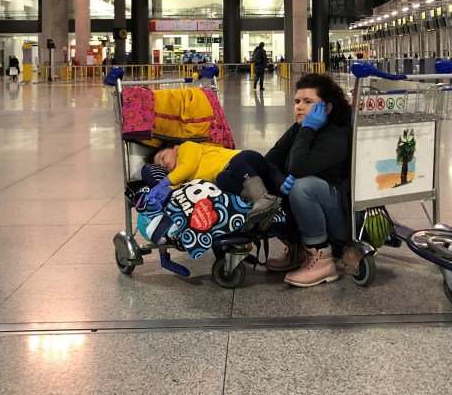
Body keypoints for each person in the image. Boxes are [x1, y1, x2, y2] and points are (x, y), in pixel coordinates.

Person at [263, 73, 353, 288]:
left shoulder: (337, 134)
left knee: (303, 186)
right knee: (276, 181)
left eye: (308, 102)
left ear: (327, 109)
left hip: (343, 217)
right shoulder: (298, 129)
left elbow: (299, 167)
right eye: (297, 101)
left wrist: (309, 129)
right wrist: (279, 181)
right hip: (320, 209)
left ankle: (322, 260)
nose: (299, 107)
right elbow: (268, 161)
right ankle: (299, 249)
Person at [146, 141, 281, 229]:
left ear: (175, 147)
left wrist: (165, 182)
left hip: (248, 162)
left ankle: (262, 198)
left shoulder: (186, 148)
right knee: (222, 180)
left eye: (162, 158)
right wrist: (165, 192)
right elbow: (182, 188)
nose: (163, 165)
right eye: (160, 166)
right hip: (237, 179)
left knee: (235, 163)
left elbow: (187, 166)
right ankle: (264, 205)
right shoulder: (182, 178)